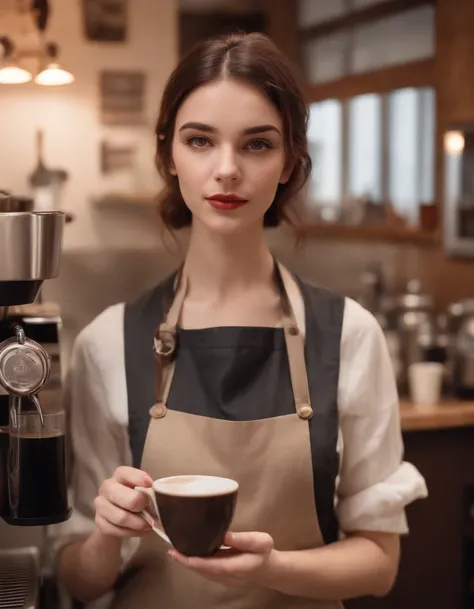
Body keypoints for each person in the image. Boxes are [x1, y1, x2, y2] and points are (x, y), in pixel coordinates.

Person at [50, 32, 428, 609]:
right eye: (200, 140)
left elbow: (380, 564)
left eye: (257, 145)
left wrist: (275, 568)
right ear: (168, 155)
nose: (226, 170)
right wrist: (106, 533)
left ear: (288, 164)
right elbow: (77, 580)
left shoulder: (349, 335)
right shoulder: (107, 343)